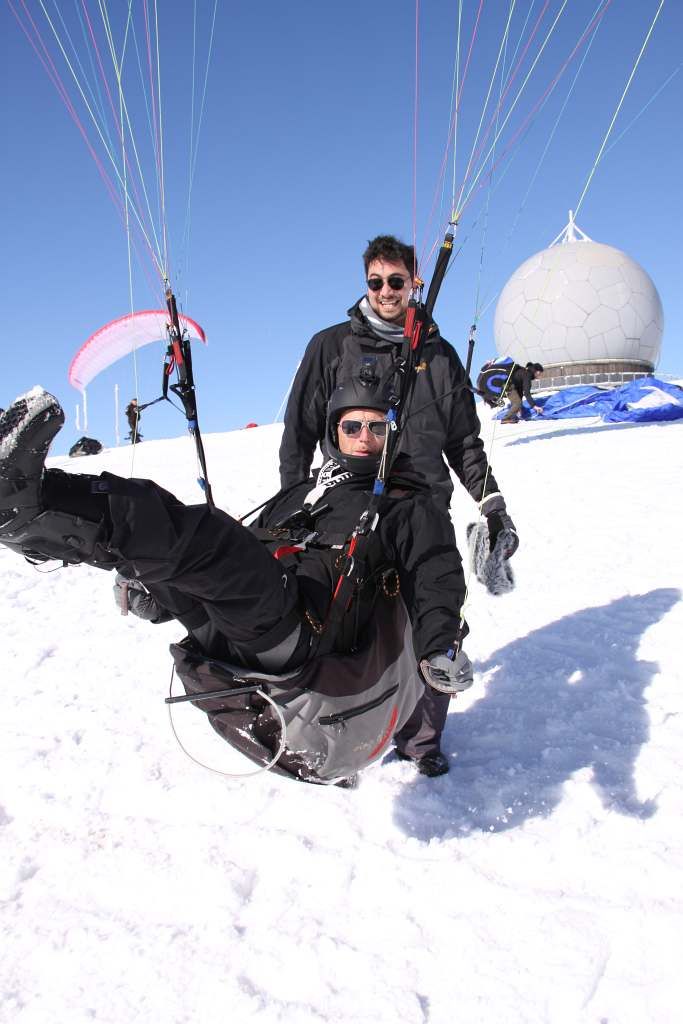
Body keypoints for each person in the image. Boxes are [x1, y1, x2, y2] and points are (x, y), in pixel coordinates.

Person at [0, 380, 479, 785]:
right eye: (352, 426)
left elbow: (436, 575)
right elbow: (248, 546)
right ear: (334, 432)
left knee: (210, 540)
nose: (364, 438)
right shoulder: (303, 491)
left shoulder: (408, 503)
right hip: (242, 623)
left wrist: (439, 645)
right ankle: (32, 512)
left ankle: (28, 507)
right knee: (168, 533)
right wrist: (161, 599)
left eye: (377, 427)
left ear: (392, 434)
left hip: (307, 634)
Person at [278, 234, 516, 776]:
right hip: (351, 505)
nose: (386, 291)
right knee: (343, 624)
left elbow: (464, 442)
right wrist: (295, 499)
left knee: (436, 620)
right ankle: (338, 743)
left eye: (396, 281)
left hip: (424, 506)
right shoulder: (331, 346)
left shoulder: (439, 355)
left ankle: (421, 742)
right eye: (376, 281)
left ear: (415, 282)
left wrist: (492, 503)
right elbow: (299, 431)